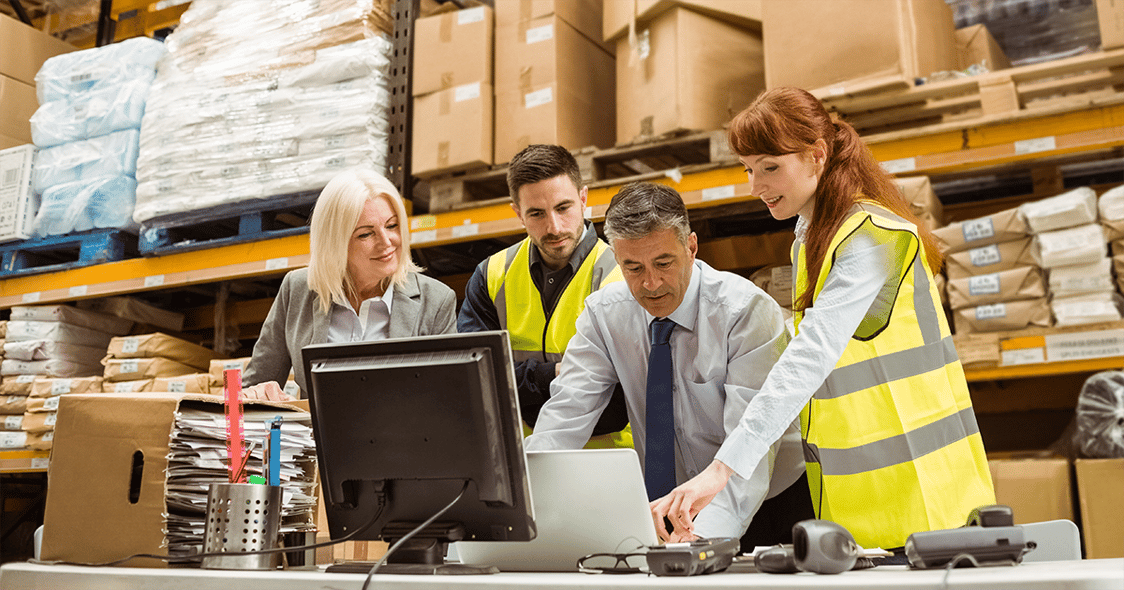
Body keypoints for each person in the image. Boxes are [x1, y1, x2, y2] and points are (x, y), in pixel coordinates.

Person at [652, 87, 996, 551]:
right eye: (749, 169)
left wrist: (722, 469)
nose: (756, 185)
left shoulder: (870, 237)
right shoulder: (814, 237)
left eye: (770, 167)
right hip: (862, 501)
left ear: (817, 155)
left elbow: (810, 356)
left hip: (925, 496)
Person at [524, 181, 806, 542]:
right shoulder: (605, 314)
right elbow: (565, 415)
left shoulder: (744, 313)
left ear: (690, 247)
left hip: (766, 501)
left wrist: (700, 544)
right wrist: (519, 507)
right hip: (664, 507)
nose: (651, 283)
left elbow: (750, 445)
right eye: (633, 267)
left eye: (663, 262)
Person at [458, 144, 631, 448]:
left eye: (563, 208)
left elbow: (618, 392)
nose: (554, 227)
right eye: (537, 213)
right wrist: (552, 374)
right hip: (523, 461)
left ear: (584, 198)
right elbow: (474, 379)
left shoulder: (623, 274)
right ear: (517, 213)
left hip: (608, 459)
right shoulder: (491, 276)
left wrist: (520, 379)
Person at [242, 169, 456, 401]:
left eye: (392, 226)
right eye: (366, 234)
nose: (386, 242)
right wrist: (257, 395)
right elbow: (254, 387)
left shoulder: (436, 301)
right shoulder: (297, 289)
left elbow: (448, 399)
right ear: (335, 243)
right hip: (315, 437)